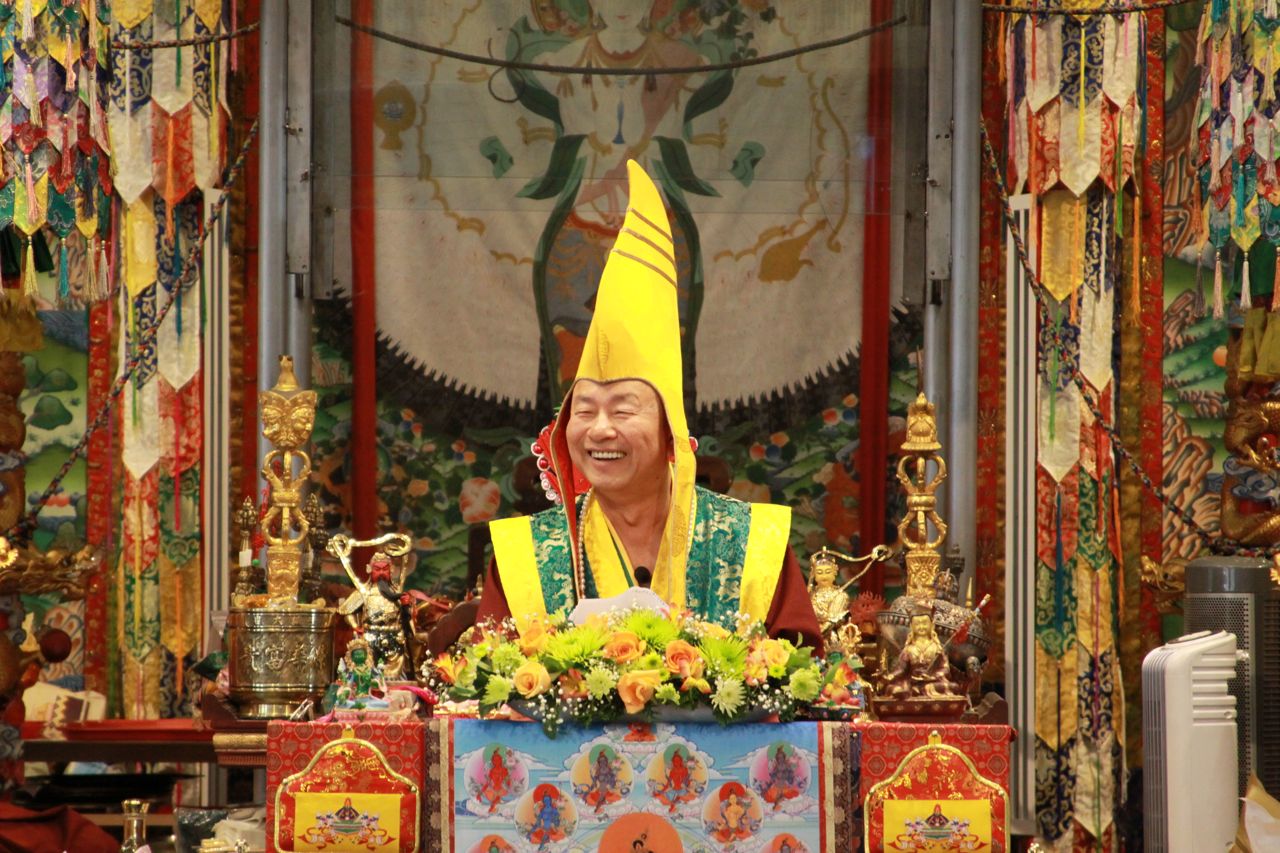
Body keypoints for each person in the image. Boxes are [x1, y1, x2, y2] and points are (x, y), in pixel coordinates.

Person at [478, 161, 822, 651]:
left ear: (669, 429)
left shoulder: (752, 544)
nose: (599, 429)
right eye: (583, 411)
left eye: (622, 410)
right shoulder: (526, 556)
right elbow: (483, 677)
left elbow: (805, 677)